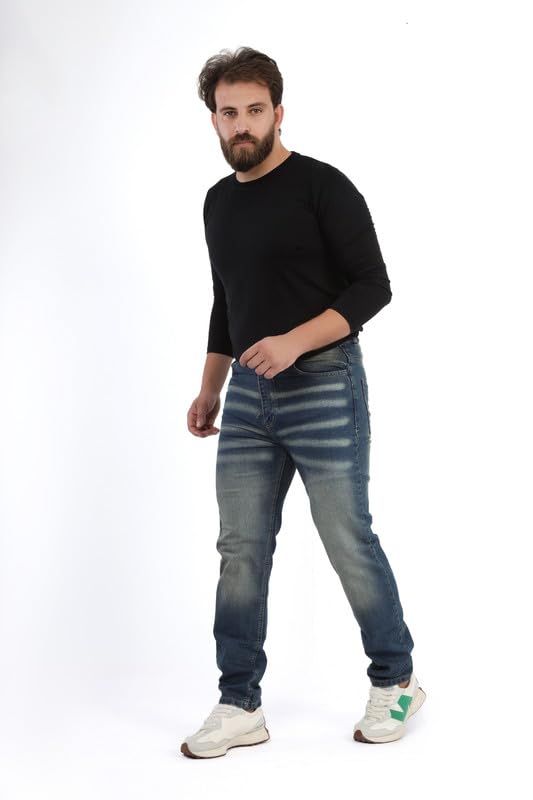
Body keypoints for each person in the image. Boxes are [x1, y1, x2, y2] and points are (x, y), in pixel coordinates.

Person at [181, 46, 426, 759]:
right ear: (214, 120)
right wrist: (210, 385)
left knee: (346, 535)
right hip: (247, 394)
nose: (242, 124)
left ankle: (396, 678)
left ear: (278, 112)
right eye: (228, 112)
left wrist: (293, 342)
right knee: (240, 548)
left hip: (323, 382)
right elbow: (226, 300)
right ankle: (239, 703)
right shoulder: (217, 201)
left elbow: (373, 285)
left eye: (255, 110)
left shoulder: (322, 186)